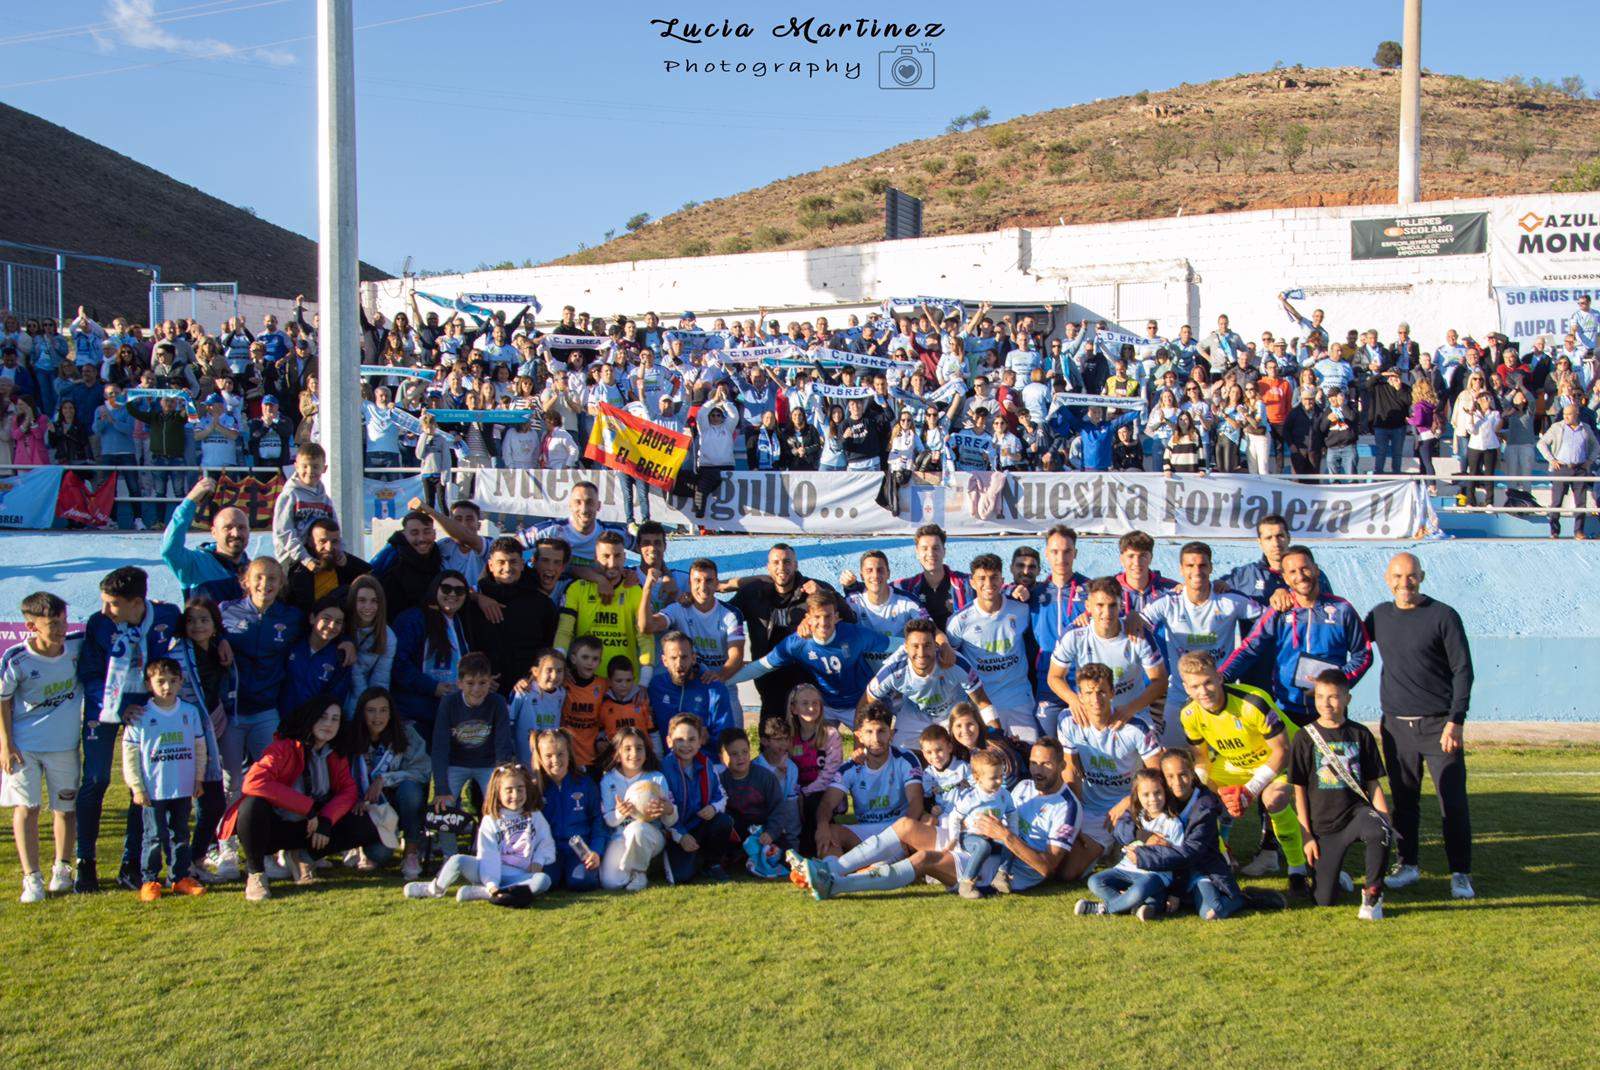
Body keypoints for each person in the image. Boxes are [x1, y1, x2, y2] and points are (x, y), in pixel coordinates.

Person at [792, 735, 1081, 900]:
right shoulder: (1025, 786)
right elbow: (992, 808)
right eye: (1033, 762)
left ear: (1061, 765)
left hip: (1002, 868)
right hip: (977, 840)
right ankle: (830, 871)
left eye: (1046, 764)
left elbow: (1047, 868)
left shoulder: (1067, 806)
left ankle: (837, 885)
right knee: (906, 826)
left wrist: (1005, 836)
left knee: (924, 859)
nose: (1038, 769)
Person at [1363, 552, 1476, 900]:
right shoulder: (1379, 616)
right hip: (1396, 728)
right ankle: (1408, 864)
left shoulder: (1443, 616)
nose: (1404, 583)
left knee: (1452, 801)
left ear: (1422, 577)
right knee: (1405, 802)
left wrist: (1456, 720)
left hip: (1439, 726)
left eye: (1411, 576)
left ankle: (1460, 873)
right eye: (1397, 576)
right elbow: (1347, 642)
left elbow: (1463, 670)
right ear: (1387, 579)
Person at [76, 566, 182, 893]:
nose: (105, 610)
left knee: (142, 785)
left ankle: (131, 864)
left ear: (137, 603)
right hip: (106, 709)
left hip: (148, 709)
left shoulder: (167, 614)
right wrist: (119, 709)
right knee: (96, 779)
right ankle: (85, 863)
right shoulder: (99, 623)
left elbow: (194, 633)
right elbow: (90, 674)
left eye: (112, 604)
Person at [217, 696, 379, 902]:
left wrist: (327, 820)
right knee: (251, 805)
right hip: (275, 825)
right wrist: (308, 808)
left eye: (335, 719)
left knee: (367, 823)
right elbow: (253, 782)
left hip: (310, 827)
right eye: (323, 717)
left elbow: (348, 791)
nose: (329, 724)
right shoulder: (284, 747)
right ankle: (256, 874)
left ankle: (304, 857)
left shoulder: (335, 753)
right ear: (310, 719)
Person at [1175, 652, 1309, 894]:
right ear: (1186, 687)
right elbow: (1201, 759)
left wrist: (1250, 791)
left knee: (1274, 800)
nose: (1203, 690)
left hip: (1284, 758)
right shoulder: (1189, 714)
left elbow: (1282, 751)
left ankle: (1297, 870)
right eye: (1195, 686)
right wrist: (1211, 789)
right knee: (1201, 802)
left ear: (1219, 677)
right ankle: (1223, 862)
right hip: (1235, 764)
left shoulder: (1252, 701)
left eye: (1208, 682)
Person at [1219, 545, 1371, 727]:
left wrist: (1335, 683)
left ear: (1316, 569)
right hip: (1286, 710)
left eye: (1305, 568)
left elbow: (1364, 654)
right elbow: (1250, 648)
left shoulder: (1342, 609)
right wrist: (1221, 677)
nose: (1300, 576)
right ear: (1285, 578)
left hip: (1331, 709)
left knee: (1333, 756)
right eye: (1292, 571)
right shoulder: (1278, 611)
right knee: (1292, 756)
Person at [0, 592, 83, 903]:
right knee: (28, 809)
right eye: (52, 624)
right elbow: (3, 701)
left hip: (64, 746)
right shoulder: (15, 659)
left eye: (63, 621)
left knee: (65, 809)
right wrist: (5, 745)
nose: (61, 629)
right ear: (31, 626)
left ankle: (62, 868)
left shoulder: (77, 645)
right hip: (25, 748)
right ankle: (31, 878)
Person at [1290, 672, 1392, 919]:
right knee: (1323, 900)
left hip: (1356, 813)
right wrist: (1306, 835)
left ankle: (1373, 895)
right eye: (1320, 697)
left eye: (1334, 697)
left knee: (1379, 830)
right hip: (1324, 825)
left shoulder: (1360, 734)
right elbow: (1299, 789)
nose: (1326, 703)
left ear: (1347, 698)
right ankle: (1336, 873)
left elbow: (1373, 783)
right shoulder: (1304, 737)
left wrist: (1386, 819)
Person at [1139, 542, 1263, 746]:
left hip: (1222, 696)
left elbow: (1269, 619)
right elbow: (1138, 625)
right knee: (1174, 760)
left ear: (1211, 568)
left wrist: (1247, 651)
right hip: (1180, 695)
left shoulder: (1230, 600)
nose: (1197, 571)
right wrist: (1155, 662)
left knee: (1222, 765)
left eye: (1202, 565)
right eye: (1190, 565)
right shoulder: (1169, 602)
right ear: (1181, 569)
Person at [404, 762, 554, 907]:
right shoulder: (490, 820)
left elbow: (545, 841)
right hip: (486, 870)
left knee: (543, 880)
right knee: (457, 860)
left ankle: (483, 893)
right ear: (498, 792)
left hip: (519, 874)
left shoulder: (534, 815)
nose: (515, 795)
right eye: (509, 790)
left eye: (520, 789)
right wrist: (491, 884)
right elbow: (488, 856)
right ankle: (434, 889)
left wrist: (539, 860)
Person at [119, 658, 208, 900]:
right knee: (154, 836)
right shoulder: (140, 715)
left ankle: (179, 877)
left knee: (180, 834)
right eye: (160, 682)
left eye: (172, 681)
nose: (167, 687)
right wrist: (136, 787)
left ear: (181, 682)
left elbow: (200, 747)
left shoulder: (190, 712)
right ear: (149, 684)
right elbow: (129, 755)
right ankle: (150, 880)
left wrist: (198, 778)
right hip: (153, 790)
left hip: (182, 786)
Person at [1047, 578, 1167, 736]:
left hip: (1133, 715)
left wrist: (1130, 709)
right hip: (1090, 714)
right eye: (1100, 605)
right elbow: (1054, 677)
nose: (1107, 613)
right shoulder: (1074, 635)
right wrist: (1074, 700)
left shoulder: (1138, 634)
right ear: (1088, 606)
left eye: (1112, 605)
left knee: (1158, 758)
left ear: (1121, 606)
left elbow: (1160, 681)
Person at [221, 557, 308, 763]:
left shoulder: (292, 617)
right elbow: (199, 632)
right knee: (232, 779)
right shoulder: (225, 610)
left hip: (266, 710)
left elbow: (318, 639)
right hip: (232, 711)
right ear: (246, 581)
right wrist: (219, 639)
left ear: (281, 583)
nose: (265, 584)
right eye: (258, 577)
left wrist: (346, 642)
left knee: (271, 772)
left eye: (272, 578)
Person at [943, 553, 1038, 741]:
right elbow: (951, 660)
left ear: (1002, 580)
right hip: (983, 703)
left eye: (994, 577)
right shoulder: (959, 622)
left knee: (1028, 758)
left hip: (1019, 699)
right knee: (990, 760)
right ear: (972, 582)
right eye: (982, 578)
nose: (988, 583)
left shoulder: (1021, 610)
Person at [812, 702, 923, 858]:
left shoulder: (905, 759)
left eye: (881, 731)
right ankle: (833, 873)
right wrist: (822, 826)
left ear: (891, 734)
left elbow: (916, 803)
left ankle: (867, 866)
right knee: (830, 831)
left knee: (927, 821)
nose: (876, 738)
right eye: (869, 732)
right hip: (866, 832)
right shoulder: (849, 767)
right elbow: (827, 803)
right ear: (859, 735)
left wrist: (901, 834)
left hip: (899, 829)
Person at [862, 618, 989, 750]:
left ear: (936, 645)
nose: (921, 653)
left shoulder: (955, 663)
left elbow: (982, 701)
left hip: (952, 714)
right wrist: (859, 744)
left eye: (927, 645)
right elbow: (867, 699)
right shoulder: (893, 670)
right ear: (905, 647)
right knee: (897, 752)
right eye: (915, 646)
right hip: (914, 714)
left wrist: (996, 733)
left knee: (967, 751)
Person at [1075, 768, 1182, 920]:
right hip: (1126, 869)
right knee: (1095, 881)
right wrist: (1145, 838)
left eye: (1157, 793)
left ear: (1165, 792)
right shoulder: (1134, 816)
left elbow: (1180, 860)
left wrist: (1175, 893)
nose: (1153, 799)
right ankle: (1138, 905)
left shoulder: (1173, 823)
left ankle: (1104, 907)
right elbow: (1121, 834)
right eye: (1146, 795)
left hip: (1154, 875)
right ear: (1137, 796)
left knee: (1140, 890)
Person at [430, 652, 514, 843]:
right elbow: (440, 746)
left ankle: (488, 848)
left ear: (489, 682)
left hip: (488, 763)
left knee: (499, 803)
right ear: (459, 683)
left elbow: (503, 743)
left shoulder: (497, 702)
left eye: (483, 683)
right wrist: (441, 787)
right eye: (470, 683)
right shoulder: (449, 703)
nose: (476, 689)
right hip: (456, 762)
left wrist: (501, 778)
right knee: (445, 805)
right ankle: (448, 856)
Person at [348, 687, 431, 879]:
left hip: (402, 801)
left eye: (383, 710)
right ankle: (358, 847)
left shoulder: (407, 733)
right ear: (362, 712)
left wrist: (384, 779)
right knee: (379, 855)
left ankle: (411, 850)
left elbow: (423, 771)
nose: (378, 717)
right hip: (373, 808)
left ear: (391, 712)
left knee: (411, 789)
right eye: (371, 710)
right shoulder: (351, 738)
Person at [390, 569, 476, 736]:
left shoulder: (460, 622)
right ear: (435, 588)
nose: (452, 594)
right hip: (415, 712)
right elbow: (398, 664)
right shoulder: (413, 619)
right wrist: (431, 687)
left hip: (448, 713)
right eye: (446, 588)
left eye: (459, 590)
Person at [555, 530, 650, 678]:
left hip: (623, 686)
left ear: (625, 558)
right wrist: (558, 665)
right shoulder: (576, 588)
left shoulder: (635, 589)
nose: (612, 563)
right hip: (583, 682)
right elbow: (564, 632)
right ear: (595, 558)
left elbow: (644, 638)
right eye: (606, 556)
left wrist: (644, 681)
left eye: (617, 556)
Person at [474, 536, 559, 692]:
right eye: (501, 562)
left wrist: (534, 677)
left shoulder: (542, 604)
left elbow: (548, 648)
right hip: (483, 689)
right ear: (490, 565)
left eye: (513, 562)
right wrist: (478, 677)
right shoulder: (474, 603)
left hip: (528, 689)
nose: (507, 568)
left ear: (522, 564)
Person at [660, 713, 738, 883]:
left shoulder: (706, 763)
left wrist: (713, 808)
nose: (686, 745)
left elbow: (721, 796)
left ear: (700, 741)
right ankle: (684, 856)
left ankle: (713, 863)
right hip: (676, 831)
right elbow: (664, 813)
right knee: (681, 877)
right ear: (669, 741)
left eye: (691, 739)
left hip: (700, 826)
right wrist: (681, 836)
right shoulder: (663, 770)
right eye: (679, 739)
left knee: (723, 821)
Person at [598, 726, 677, 891]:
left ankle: (639, 871)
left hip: (651, 835)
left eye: (639, 748)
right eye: (627, 748)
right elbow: (610, 820)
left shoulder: (656, 777)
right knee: (611, 883)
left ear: (646, 752)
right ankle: (647, 863)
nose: (634, 753)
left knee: (637, 828)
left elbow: (670, 820)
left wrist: (668, 810)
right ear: (617, 754)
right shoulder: (608, 780)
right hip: (620, 836)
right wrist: (621, 812)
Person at [532, 728, 606, 891]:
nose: (556, 760)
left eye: (560, 754)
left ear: (569, 754)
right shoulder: (535, 789)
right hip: (550, 850)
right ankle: (559, 874)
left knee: (581, 883)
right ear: (540, 757)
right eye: (548, 756)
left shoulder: (585, 784)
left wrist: (596, 851)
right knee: (546, 882)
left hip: (580, 849)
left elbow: (597, 821)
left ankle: (573, 874)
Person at [162, 477, 250, 604]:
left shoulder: (252, 570)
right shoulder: (194, 565)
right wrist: (190, 501)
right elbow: (169, 550)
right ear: (214, 532)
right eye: (228, 528)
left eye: (241, 528)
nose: (236, 533)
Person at [947, 748, 1017, 900]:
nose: (999, 781)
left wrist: (1012, 832)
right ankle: (966, 884)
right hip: (971, 837)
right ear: (977, 778)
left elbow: (1012, 814)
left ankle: (1002, 876)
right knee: (983, 846)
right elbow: (954, 817)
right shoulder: (970, 797)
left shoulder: (1004, 795)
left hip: (994, 836)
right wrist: (954, 839)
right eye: (993, 778)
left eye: (1001, 776)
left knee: (1012, 842)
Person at [271, 443, 337, 572]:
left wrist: (339, 553)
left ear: (324, 468)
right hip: (292, 562)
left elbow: (335, 530)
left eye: (315, 466)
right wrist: (305, 558)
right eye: (305, 466)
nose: (310, 471)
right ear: (296, 466)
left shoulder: (326, 500)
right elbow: (284, 532)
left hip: (317, 561)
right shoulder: (289, 496)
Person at [1537, 402, 1598, 539]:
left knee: (1580, 502)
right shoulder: (1557, 427)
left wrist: (1589, 461)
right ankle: (1554, 530)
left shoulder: (1585, 428)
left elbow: (1596, 446)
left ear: (1577, 414)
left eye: (1569, 414)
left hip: (1580, 468)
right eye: (1564, 414)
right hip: (1562, 468)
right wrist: (1551, 459)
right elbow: (1541, 443)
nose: (1566, 417)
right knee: (1557, 501)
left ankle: (1578, 531)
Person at [284, 518, 371, 612]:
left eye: (334, 541)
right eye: (322, 541)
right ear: (310, 542)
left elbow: (371, 576)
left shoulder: (347, 564)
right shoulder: (297, 572)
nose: (329, 548)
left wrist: (347, 565)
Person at [344, 577, 395, 717]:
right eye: (362, 600)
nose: (368, 607)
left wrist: (373, 710)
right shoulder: (341, 626)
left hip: (361, 697)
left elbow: (380, 679)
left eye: (374, 601)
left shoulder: (387, 636)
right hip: (338, 691)